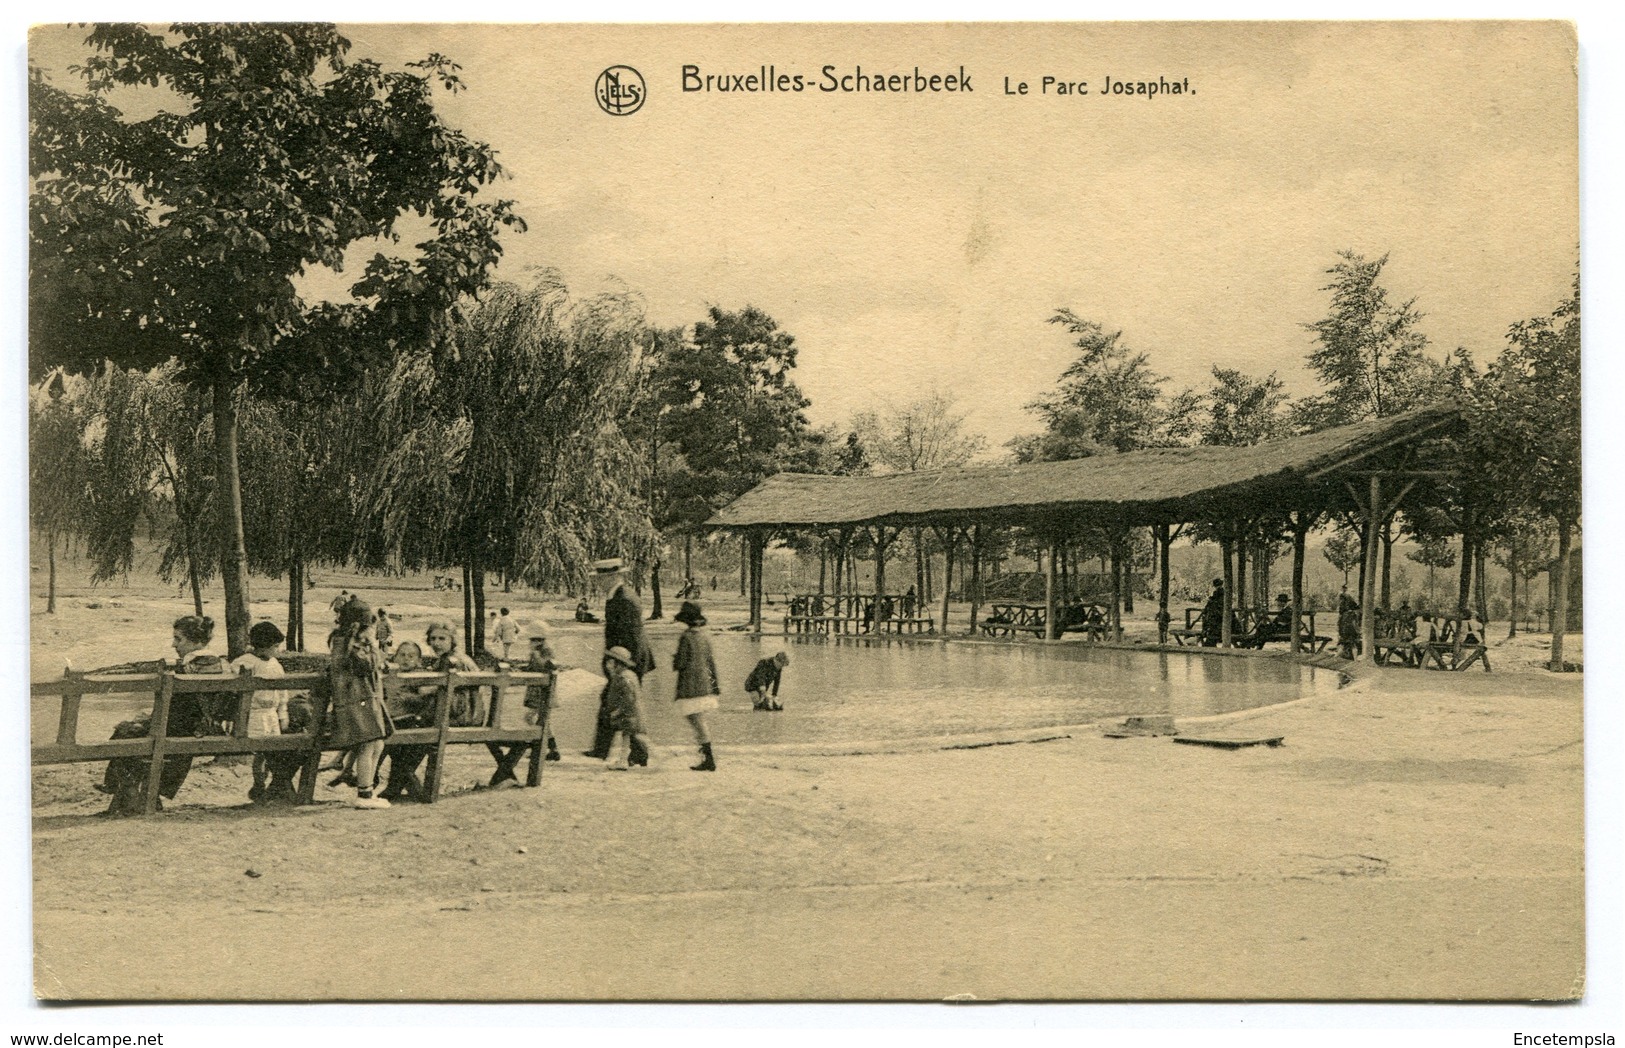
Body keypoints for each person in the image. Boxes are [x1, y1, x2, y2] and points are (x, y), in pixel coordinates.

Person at [99, 614, 230, 815]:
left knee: (125, 733)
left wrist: (146, 720)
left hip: (179, 731)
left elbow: (176, 711)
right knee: (135, 731)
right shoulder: (221, 665)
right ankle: (139, 796)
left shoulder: (182, 669)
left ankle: (124, 792)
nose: (173, 644)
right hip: (200, 729)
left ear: (196, 641)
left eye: (178, 639)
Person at [317, 598, 394, 809]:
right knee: (368, 746)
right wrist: (374, 647)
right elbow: (367, 666)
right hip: (359, 702)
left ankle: (368, 789)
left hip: (360, 701)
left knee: (377, 744)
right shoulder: (353, 645)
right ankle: (364, 794)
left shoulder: (343, 642)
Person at [583, 557, 656, 759]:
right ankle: (613, 751)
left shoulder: (623, 599)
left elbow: (630, 636)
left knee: (622, 705)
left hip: (629, 661)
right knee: (617, 703)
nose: (598, 582)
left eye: (601, 578)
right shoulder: (619, 595)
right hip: (623, 660)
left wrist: (622, 665)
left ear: (613, 577)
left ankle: (631, 751)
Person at [488, 632, 563, 786]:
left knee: (533, 718)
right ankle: (551, 747)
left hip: (542, 692)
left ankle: (549, 746)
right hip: (537, 690)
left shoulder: (544, 651)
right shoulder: (537, 652)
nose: (532, 642)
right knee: (540, 720)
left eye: (535, 640)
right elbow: (532, 667)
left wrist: (535, 656)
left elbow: (544, 666)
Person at [232, 621, 289, 803]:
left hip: (271, 713)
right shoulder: (246, 662)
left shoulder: (275, 664)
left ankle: (263, 782)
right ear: (263, 646)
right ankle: (259, 783)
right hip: (254, 713)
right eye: (274, 647)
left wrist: (282, 714)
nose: (276, 651)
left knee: (273, 751)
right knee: (260, 752)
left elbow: (282, 692)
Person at [672, 602, 722, 771]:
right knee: (699, 720)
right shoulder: (705, 637)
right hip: (705, 685)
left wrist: (675, 659)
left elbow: (680, 663)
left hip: (689, 686)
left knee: (696, 721)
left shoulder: (686, 637)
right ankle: (706, 756)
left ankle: (708, 757)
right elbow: (710, 663)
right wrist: (715, 686)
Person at [601, 646, 651, 769]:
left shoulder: (623, 678)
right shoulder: (628, 675)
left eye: (611, 662)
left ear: (618, 664)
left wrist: (618, 711)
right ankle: (627, 760)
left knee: (629, 737)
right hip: (633, 713)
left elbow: (628, 698)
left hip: (629, 714)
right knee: (629, 737)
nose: (608, 665)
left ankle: (623, 761)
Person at [1199, 578, 1226, 647]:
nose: (1217, 587)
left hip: (1217, 615)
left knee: (1213, 627)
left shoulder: (1220, 593)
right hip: (1216, 615)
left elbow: (1217, 603)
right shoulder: (1218, 593)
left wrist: (1211, 601)